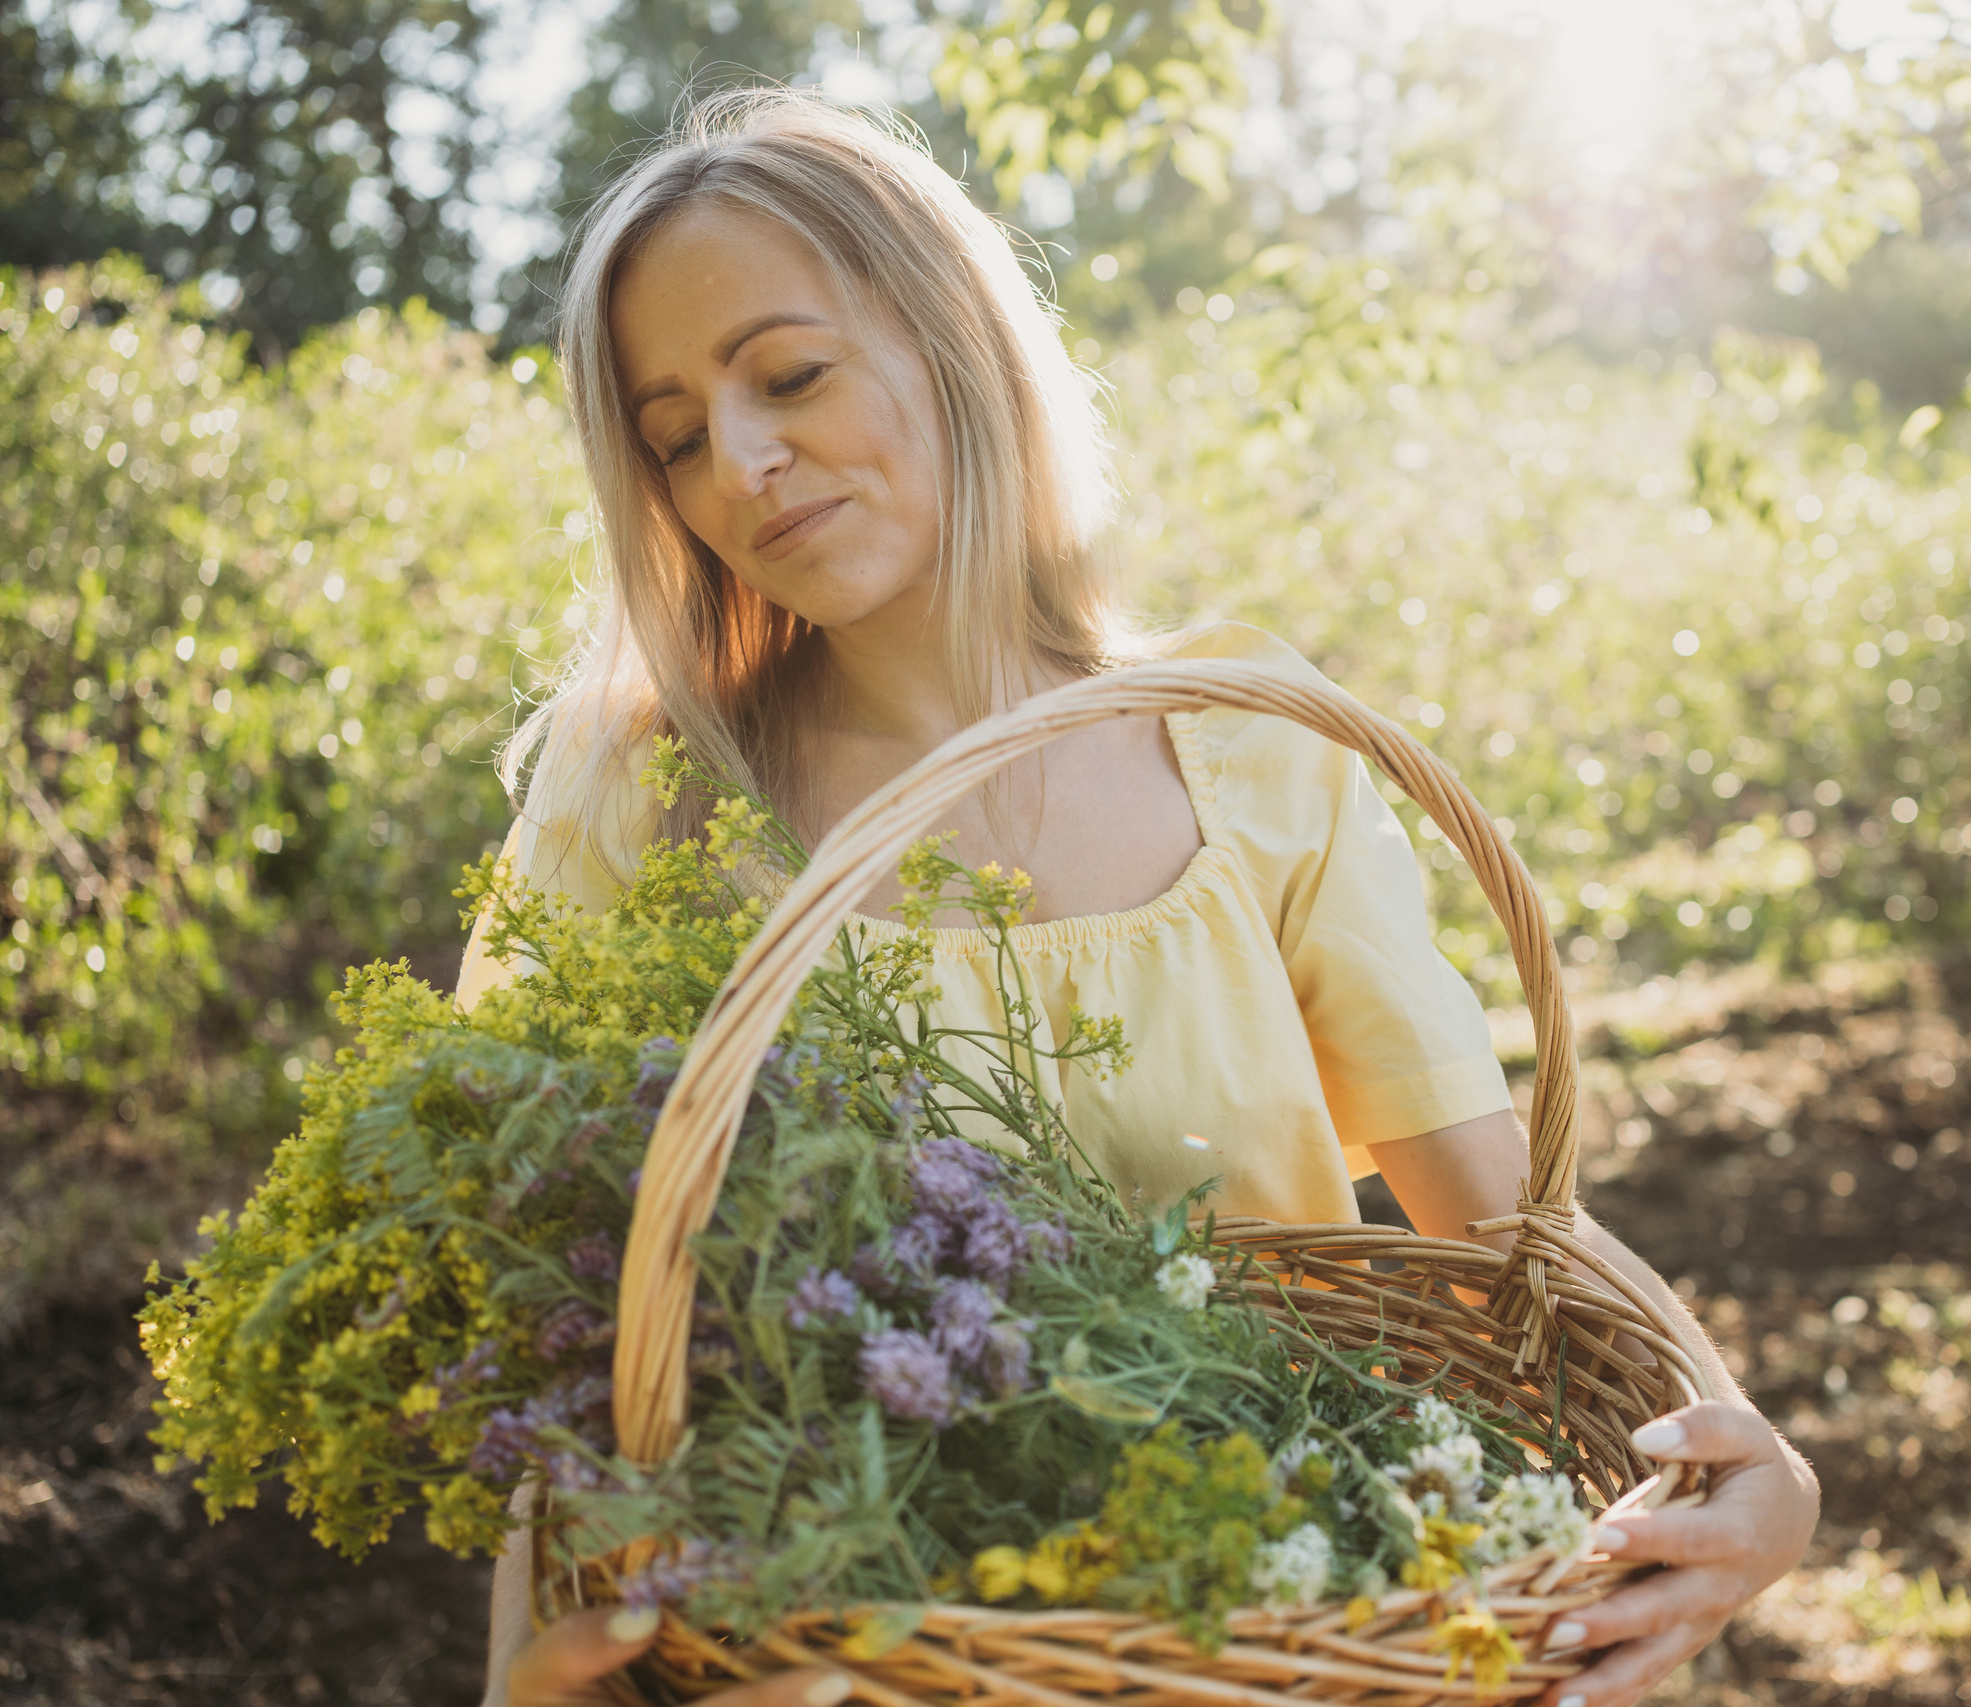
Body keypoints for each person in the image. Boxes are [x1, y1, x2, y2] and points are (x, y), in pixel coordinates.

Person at [463, 88, 1819, 1707]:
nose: (741, 462)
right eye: (676, 435)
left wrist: (1753, 1462)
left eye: (791, 374)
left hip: (1283, 1631)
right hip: (858, 1657)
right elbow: (552, 1316)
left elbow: (1516, 1237)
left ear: (951, 333)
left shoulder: (1246, 735)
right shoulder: (642, 799)